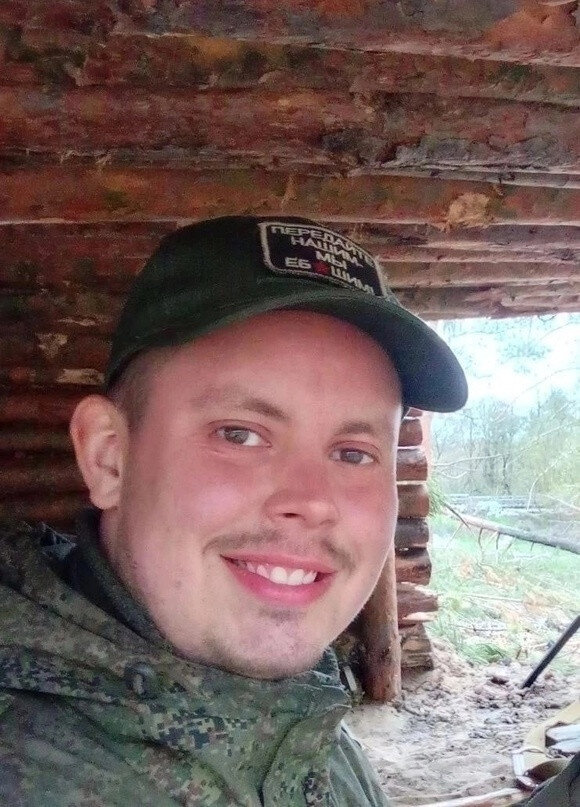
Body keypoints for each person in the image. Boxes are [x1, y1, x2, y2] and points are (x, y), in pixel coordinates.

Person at [0, 216, 468, 806]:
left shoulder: (301, 719)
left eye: (354, 453)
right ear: (109, 458)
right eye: (240, 435)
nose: (312, 501)